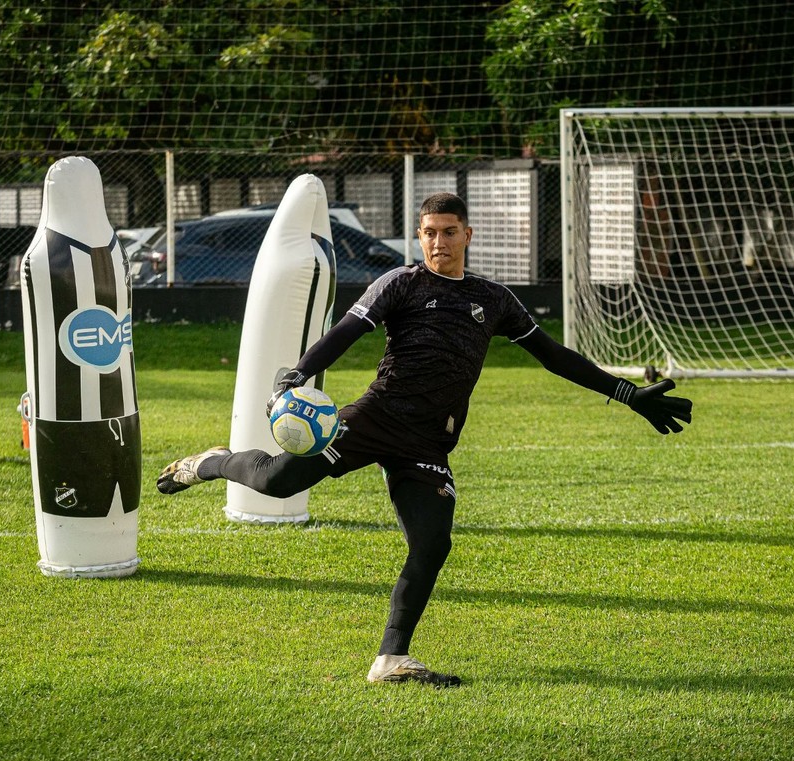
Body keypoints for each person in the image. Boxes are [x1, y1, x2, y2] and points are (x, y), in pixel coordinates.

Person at [157, 193, 692, 687]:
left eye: (449, 232)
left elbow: (554, 356)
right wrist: (298, 373)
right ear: (419, 236)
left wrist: (626, 393)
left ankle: (390, 658)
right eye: (429, 232)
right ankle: (210, 462)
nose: (438, 242)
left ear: (468, 235)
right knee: (277, 480)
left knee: (433, 544)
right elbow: (346, 330)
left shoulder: (494, 299)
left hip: (428, 444)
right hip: (374, 419)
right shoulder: (401, 283)